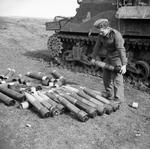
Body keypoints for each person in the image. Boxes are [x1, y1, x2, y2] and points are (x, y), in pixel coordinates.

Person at [91, 18, 128, 103]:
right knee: (106, 75)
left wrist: (124, 65)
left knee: (117, 77)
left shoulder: (116, 35)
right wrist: (93, 58)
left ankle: (119, 98)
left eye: (102, 31)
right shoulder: (101, 35)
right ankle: (109, 93)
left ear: (107, 28)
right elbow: (97, 47)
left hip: (117, 57)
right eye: (99, 31)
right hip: (109, 56)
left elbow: (121, 49)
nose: (100, 33)